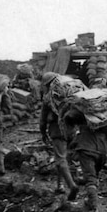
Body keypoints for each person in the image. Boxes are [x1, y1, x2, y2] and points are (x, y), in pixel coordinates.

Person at [62, 105, 107, 212]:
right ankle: (91, 201)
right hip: (102, 149)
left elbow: (68, 120)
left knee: (90, 179)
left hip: (87, 150)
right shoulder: (106, 118)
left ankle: (95, 210)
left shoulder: (80, 118)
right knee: (95, 176)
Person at [39, 72, 78, 200]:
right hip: (72, 129)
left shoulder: (48, 97)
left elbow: (43, 120)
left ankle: (71, 185)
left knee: (61, 159)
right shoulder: (70, 93)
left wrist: (43, 133)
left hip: (57, 130)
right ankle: (60, 185)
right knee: (67, 157)